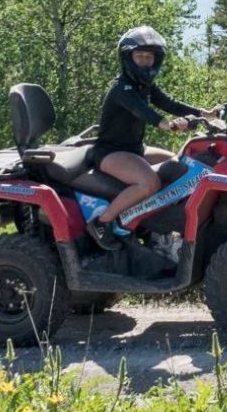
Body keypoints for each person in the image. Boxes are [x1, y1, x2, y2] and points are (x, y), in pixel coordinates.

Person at [85, 26, 217, 249]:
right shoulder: (121, 89)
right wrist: (170, 125)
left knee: (181, 165)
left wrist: (205, 114)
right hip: (111, 152)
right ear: (128, 58)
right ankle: (102, 222)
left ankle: (151, 222)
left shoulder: (144, 86)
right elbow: (144, 113)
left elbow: (169, 103)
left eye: (149, 57)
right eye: (140, 56)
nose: (145, 61)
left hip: (135, 149)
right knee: (150, 182)